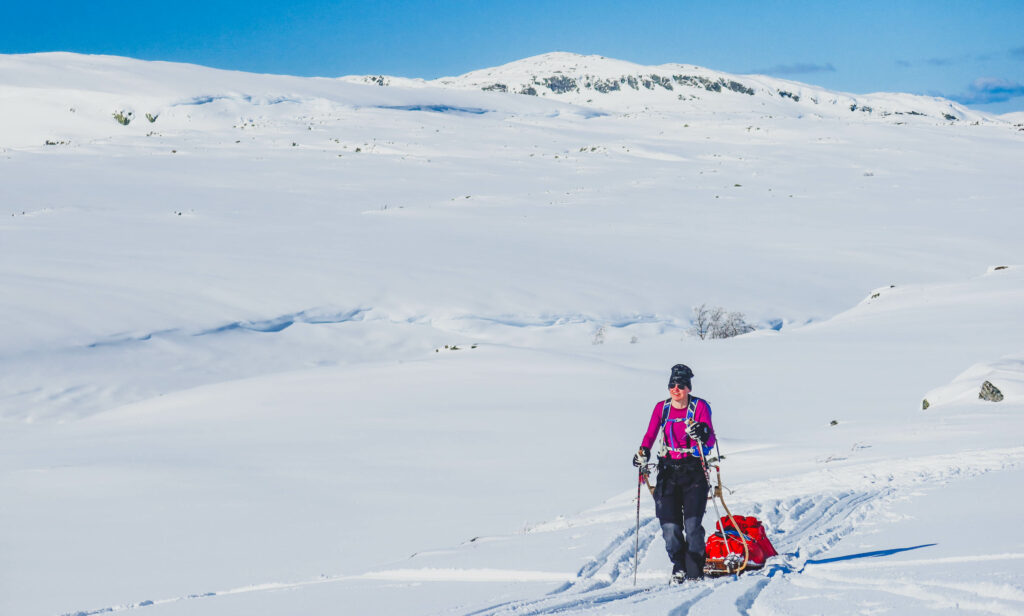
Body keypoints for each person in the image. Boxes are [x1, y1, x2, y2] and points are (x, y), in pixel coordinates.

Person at [632, 364, 716, 583]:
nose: (675, 389)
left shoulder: (699, 407)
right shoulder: (662, 408)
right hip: (668, 472)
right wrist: (643, 453)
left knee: (692, 525)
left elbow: (710, 440)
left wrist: (702, 431)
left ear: (688, 387)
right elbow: (650, 435)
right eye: (672, 385)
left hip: (694, 471)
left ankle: (695, 569)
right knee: (669, 526)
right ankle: (678, 566)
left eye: (680, 385)